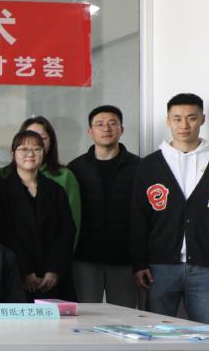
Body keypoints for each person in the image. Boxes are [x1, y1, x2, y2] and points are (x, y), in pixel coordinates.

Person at [130, 93, 209, 326]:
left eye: (192, 118)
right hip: (159, 268)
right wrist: (139, 263)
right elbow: (138, 218)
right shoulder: (150, 164)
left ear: (202, 119)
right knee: (156, 334)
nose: (184, 125)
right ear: (168, 121)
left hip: (208, 268)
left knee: (206, 335)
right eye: (177, 118)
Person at [68, 105, 140, 308]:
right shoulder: (76, 168)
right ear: (90, 131)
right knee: (85, 315)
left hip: (125, 258)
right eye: (99, 124)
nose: (106, 129)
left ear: (121, 129)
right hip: (85, 258)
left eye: (112, 123)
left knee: (125, 317)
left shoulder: (139, 167)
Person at [0, 131, 77, 301]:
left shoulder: (56, 190)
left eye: (36, 149)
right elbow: (5, 234)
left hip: (53, 278)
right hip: (16, 276)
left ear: (43, 153)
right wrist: (25, 270)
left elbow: (67, 231)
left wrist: (54, 269)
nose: (30, 154)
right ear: (13, 153)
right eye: (23, 149)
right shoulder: (0, 191)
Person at [16, 116, 82, 239]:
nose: (36, 142)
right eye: (30, 137)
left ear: (51, 142)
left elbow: (73, 223)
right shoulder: (5, 174)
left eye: (42, 138)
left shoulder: (65, 176)